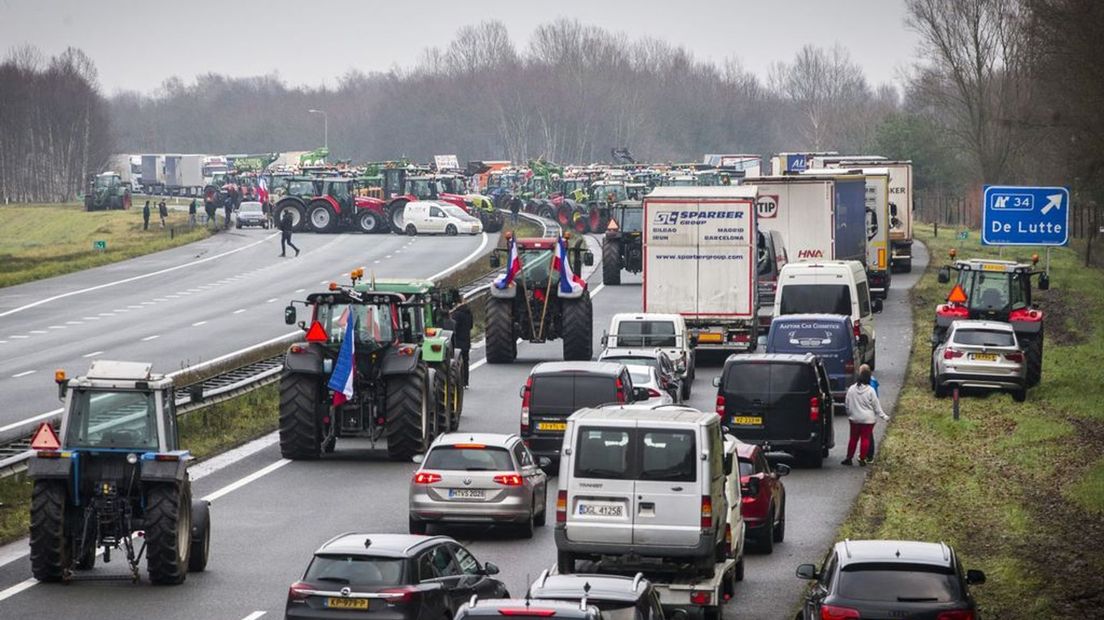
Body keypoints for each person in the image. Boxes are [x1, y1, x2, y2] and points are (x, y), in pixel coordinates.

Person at [841, 364, 889, 467]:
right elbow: (876, 407)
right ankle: (863, 458)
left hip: (854, 419)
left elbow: (847, 404)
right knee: (865, 439)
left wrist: (850, 414)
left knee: (853, 439)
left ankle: (849, 458)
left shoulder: (851, 389)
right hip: (868, 420)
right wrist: (884, 416)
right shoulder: (870, 390)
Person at [449, 302, 473, 387]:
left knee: (457, 363)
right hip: (466, 341)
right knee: (465, 362)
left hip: (458, 342)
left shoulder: (456, 315)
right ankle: (465, 382)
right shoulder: (469, 314)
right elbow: (471, 326)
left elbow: (454, 327)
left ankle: (458, 382)